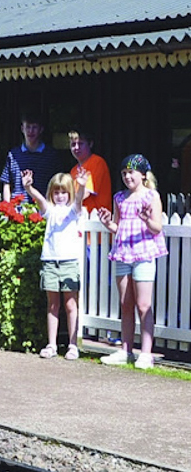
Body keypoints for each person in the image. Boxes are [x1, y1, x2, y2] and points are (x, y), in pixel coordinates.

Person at [97, 154, 167, 369]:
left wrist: (146, 220)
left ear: (143, 175)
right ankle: (126, 350)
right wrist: (108, 224)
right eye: (124, 173)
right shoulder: (119, 197)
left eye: (131, 172)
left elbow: (157, 228)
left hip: (144, 253)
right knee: (126, 303)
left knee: (143, 304)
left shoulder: (151, 196)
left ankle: (146, 353)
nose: (127, 176)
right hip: (123, 252)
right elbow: (119, 226)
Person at [24, 170, 85, 359]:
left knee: (70, 304)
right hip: (50, 261)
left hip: (69, 261)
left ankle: (72, 345)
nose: (60, 196)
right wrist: (28, 187)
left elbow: (79, 201)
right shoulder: (49, 210)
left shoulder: (73, 210)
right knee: (52, 305)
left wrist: (81, 185)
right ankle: (51, 345)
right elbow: (41, 201)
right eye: (56, 192)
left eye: (64, 192)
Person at [0, 114, 62, 203]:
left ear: (41, 129)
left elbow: (58, 182)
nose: (30, 131)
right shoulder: (13, 154)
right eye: (28, 127)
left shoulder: (51, 155)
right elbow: (7, 182)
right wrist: (7, 205)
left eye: (34, 127)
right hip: (17, 207)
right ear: (22, 129)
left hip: (43, 207)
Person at [68, 129, 112, 215]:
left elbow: (86, 193)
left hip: (96, 220)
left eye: (80, 144)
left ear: (90, 144)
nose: (76, 148)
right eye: (73, 144)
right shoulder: (73, 170)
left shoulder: (97, 162)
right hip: (79, 219)